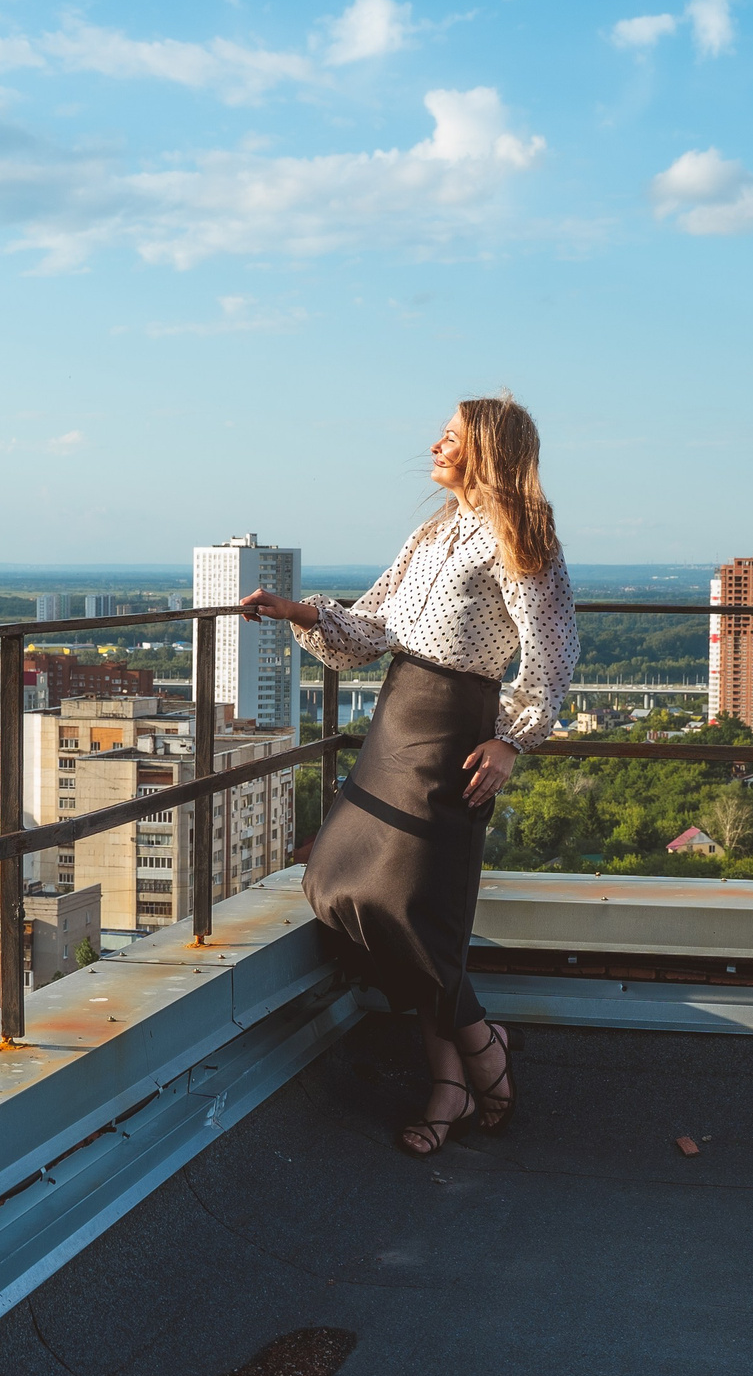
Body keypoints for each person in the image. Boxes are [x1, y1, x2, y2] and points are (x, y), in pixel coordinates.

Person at [240, 394, 577, 1157]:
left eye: (451, 437)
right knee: (335, 882)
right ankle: (473, 1048)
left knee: (405, 905)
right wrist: (299, 613)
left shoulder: (520, 535)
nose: (435, 444)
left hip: (456, 731)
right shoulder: (433, 530)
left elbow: (552, 652)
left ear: (486, 450)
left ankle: (457, 1073)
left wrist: (512, 742)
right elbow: (376, 625)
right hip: (398, 721)